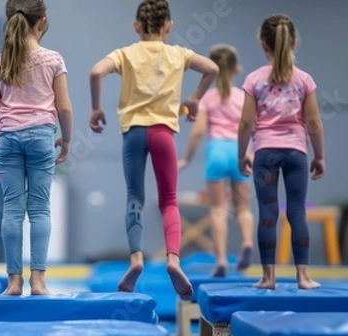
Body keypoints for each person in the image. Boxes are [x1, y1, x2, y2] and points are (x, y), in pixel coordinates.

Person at [88, 0, 219, 298]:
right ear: (169, 27)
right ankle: (173, 259)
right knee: (169, 199)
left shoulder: (126, 53)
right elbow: (212, 68)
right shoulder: (178, 54)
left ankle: (135, 260)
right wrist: (195, 98)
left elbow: (96, 71)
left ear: (136, 27)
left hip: (133, 133)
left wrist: (96, 109)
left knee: (134, 196)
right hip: (163, 133)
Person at [0, 0, 73, 295]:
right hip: (40, 138)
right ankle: (38, 280)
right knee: (39, 210)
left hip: (8, 138)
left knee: (11, 210)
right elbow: (65, 108)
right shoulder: (52, 59)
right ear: (42, 22)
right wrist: (67, 139)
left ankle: (13, 281)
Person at [238, 14, 324, 290]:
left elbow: (246, 122)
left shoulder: (254, 80)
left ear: (263, 44)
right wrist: (319, 155)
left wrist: (242, 153)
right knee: (297, 212)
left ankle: (268, 277)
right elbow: (313, 122)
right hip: (297, 152)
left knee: (267, 213)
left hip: (265, 152)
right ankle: (304, 277)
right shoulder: (304, 79)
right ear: (294, 42)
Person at [178, 45, 255, 277]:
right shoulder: (244, 97)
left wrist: (186, 159)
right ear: (236, 69)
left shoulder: (207, 98)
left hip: (216, 152)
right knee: (243, 209)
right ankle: (247, 243)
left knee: (218, 210)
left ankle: (221, 260)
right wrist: (249, 152)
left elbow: (198, 131)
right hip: (239, 150)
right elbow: (250, 127)